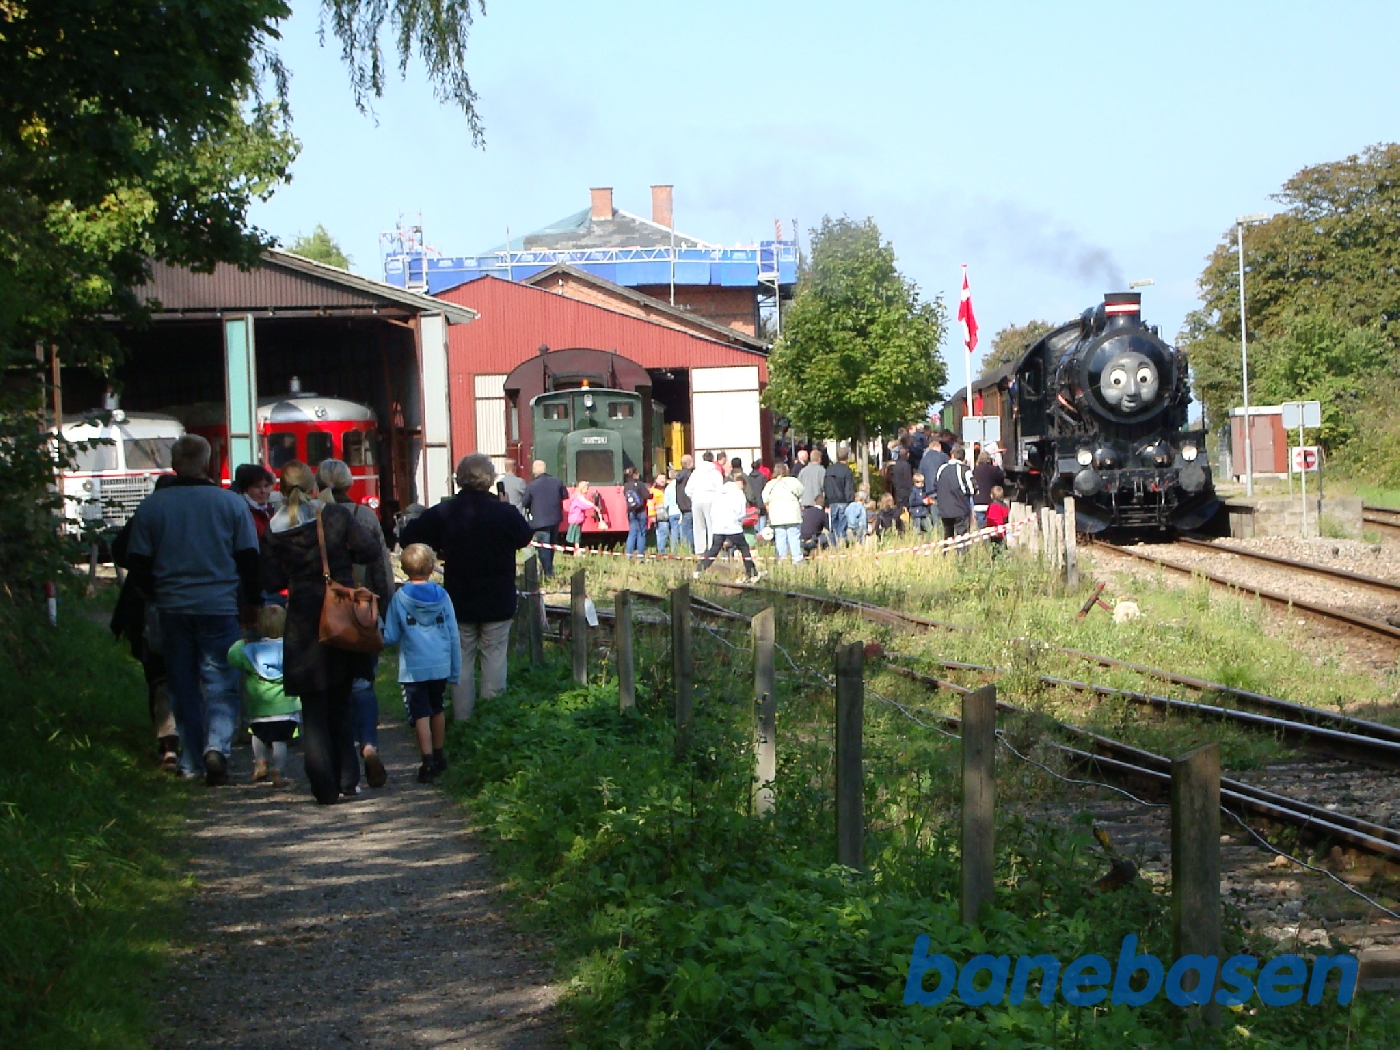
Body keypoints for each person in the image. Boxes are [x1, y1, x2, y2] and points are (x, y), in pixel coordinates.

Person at [125, 435, 260, 785]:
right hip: (219, 606)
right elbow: (248, 558)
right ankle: (217, 748)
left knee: (181, 684)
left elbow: (136, 561)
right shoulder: (229, 504)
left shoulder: (152, 507)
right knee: (221, 682)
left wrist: (156, 593)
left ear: (174, 464)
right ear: (207, 463)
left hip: (172, 608)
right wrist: (253, 601)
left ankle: (190, 760)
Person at [260, 460, 392, 804]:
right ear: (314, 486)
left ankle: (322, 783)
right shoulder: (334, 515)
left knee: (313, 705)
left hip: (303, 620)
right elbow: (368, 549)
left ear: (282, 488)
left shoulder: (275, 528)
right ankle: (348, 777)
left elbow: (271, 580)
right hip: (341, 613)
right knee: (341, 699)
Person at [399, 454, 533, 721]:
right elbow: (524, 536)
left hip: (459, 597)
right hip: (498, 597)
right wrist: (506, 507)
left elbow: (407, 536)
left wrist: (437, 546)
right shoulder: (504, 512)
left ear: (459, 478)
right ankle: (492, 720)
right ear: (490, 480)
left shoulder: (445, 511)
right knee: (495, 656)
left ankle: (463, 719)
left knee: (461, 660)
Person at [317, 458, 395, 789]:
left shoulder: (314, 515)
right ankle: (368, 745)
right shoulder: (364, 516)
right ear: (350, 482)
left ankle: (343, 750)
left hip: (325, 612)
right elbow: (380, 565)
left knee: (332, 686)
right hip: (362, 609)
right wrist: (386, 604)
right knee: (363, 682)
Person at [110, 474, 180, 772]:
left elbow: (120, 550)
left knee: (159, 677)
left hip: (146, 606)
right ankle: (199, 742)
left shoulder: (144, 516)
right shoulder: (182, 518)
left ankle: (168, 745)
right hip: (185, 601)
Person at [380, 543, 461, 783]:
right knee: (437, 708)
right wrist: (455, 669)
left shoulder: (400, 598)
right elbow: (453, 633)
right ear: (432, 566)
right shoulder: (443, 596)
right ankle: (439, 754)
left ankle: (426, 761)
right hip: (440, 663)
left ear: (404, 568)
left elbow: (391, 636)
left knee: (420, 713)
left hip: (414, 667)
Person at [227, 605, 301, 786]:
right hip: (286, 707)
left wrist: (240, 642)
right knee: (280, 742)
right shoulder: (292, 650)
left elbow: (231, 657)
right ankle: (278, 771)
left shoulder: (251, 651)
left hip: (259, 706)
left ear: (259, 626)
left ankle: (260, 761)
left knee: (258, 736)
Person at [693, 472, 760, 580]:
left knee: (713, 550)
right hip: (733, 527)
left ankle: (699, 570)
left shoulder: (718, 493)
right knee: (744, 549)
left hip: (718, 527)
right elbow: (741, 512)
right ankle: (752, 573)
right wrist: (739, 521)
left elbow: (712, 511)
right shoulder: (738, 493)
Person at [522, 459, 568, 577]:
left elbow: (525, 502)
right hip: (555, 519)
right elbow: (565, 495)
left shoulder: (531, 486)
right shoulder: (557, 481)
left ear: (534, 471)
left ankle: (547, 573)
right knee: (551, 546)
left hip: (540, 522)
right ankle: (549, 570)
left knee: (544, 548)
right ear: (545, 469)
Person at [762, 462, 805, 566]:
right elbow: (801, 491)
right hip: (792, 514)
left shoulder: (770, 484)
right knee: (794, 536)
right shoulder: (793, 481)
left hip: (777, 516)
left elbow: (764, 498)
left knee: (780, 537)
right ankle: (797, 559)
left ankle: (782, 559)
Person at [685, 452, 724, 558]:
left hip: (697, 500)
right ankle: (712, 550)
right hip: (711, 500)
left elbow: (688, 489)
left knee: (698, 526)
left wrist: (693, 497)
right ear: (712, 459)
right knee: (712, 526)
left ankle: (700, 551)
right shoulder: (715, 473)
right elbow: (720, 489)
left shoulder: (695, 473)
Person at [935, 446, 976, 543]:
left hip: (944, 509)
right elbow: (973, 488)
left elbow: (936, 485)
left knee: (947, 535)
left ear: (951, 455)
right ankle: (962, 557)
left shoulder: (942, 468)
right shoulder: (964, 470)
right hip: (960, 508)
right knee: (962, 538)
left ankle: (946, 556)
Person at [233, 463, 275, 541]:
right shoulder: (242, 513)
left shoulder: (270, 511)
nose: (263, 491)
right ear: (246, 489)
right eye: (257, 486)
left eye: (266, 486)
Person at [824, 446, 856, 545]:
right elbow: (849, 488)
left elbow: (826, 486)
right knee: (842, 526)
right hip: (843, 501)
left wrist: (826, 502)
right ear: (847, 457)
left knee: (833, 526)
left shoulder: (829, 470)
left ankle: (833, 544)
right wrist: (850, 500)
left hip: (832, 501)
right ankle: (842, 544)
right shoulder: (847, 470)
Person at [565, 480, 601, 553]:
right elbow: (584, 504)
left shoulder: (577, 496)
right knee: (576, 536)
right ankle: (576, 551)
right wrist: (594, 506)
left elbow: (585, 502)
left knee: (576, 535)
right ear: (582, 488)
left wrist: (594, 506)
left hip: (576, 519)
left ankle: (576, 550)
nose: (587, 490)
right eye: (586, 488)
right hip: (576, 519)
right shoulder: (578, 497)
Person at [972, 451, 1006, 529]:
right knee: (992, 527)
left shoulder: (975, 470)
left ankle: (983, 540)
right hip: (991, 502)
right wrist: (997, 467)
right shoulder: (993, 470)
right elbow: (1002, 478)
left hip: (978, 502)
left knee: (982, 528)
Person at [622, 466, 650, 557]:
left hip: (631, 512)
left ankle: (629, 555)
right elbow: (647, 496)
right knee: (641, 533)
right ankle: (640, 555)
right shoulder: (640, 484)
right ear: (635, 474)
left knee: (632, 533)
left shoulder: (626, 486)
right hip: (641, 511)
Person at [674, 453, 695, 551]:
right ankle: (692, 550)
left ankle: (686, 549)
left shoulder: (679, 477)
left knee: (685, 529)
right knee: (691, 530)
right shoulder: (690, 476)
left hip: (682, 507)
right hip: (690, 505)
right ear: (690, 463)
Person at [661, 472, 682, 555]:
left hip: (672, 512)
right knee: (682, 532)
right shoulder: (681, 486)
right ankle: (683, 549)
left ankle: (674, 551)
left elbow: (665, 503)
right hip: (680, 511)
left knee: (674, 532)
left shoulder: (668, 488)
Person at [648, 472, 669, 551]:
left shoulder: (665, 490)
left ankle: (661, 551)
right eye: (660, 479)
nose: (662, 480)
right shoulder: (653, 491)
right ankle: (661, 552)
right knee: (662, 534)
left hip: (665, 515)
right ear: (655, 480)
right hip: (659, 516)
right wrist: (652, 516)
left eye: (664, 478)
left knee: (662, 534)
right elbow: (650, 504)